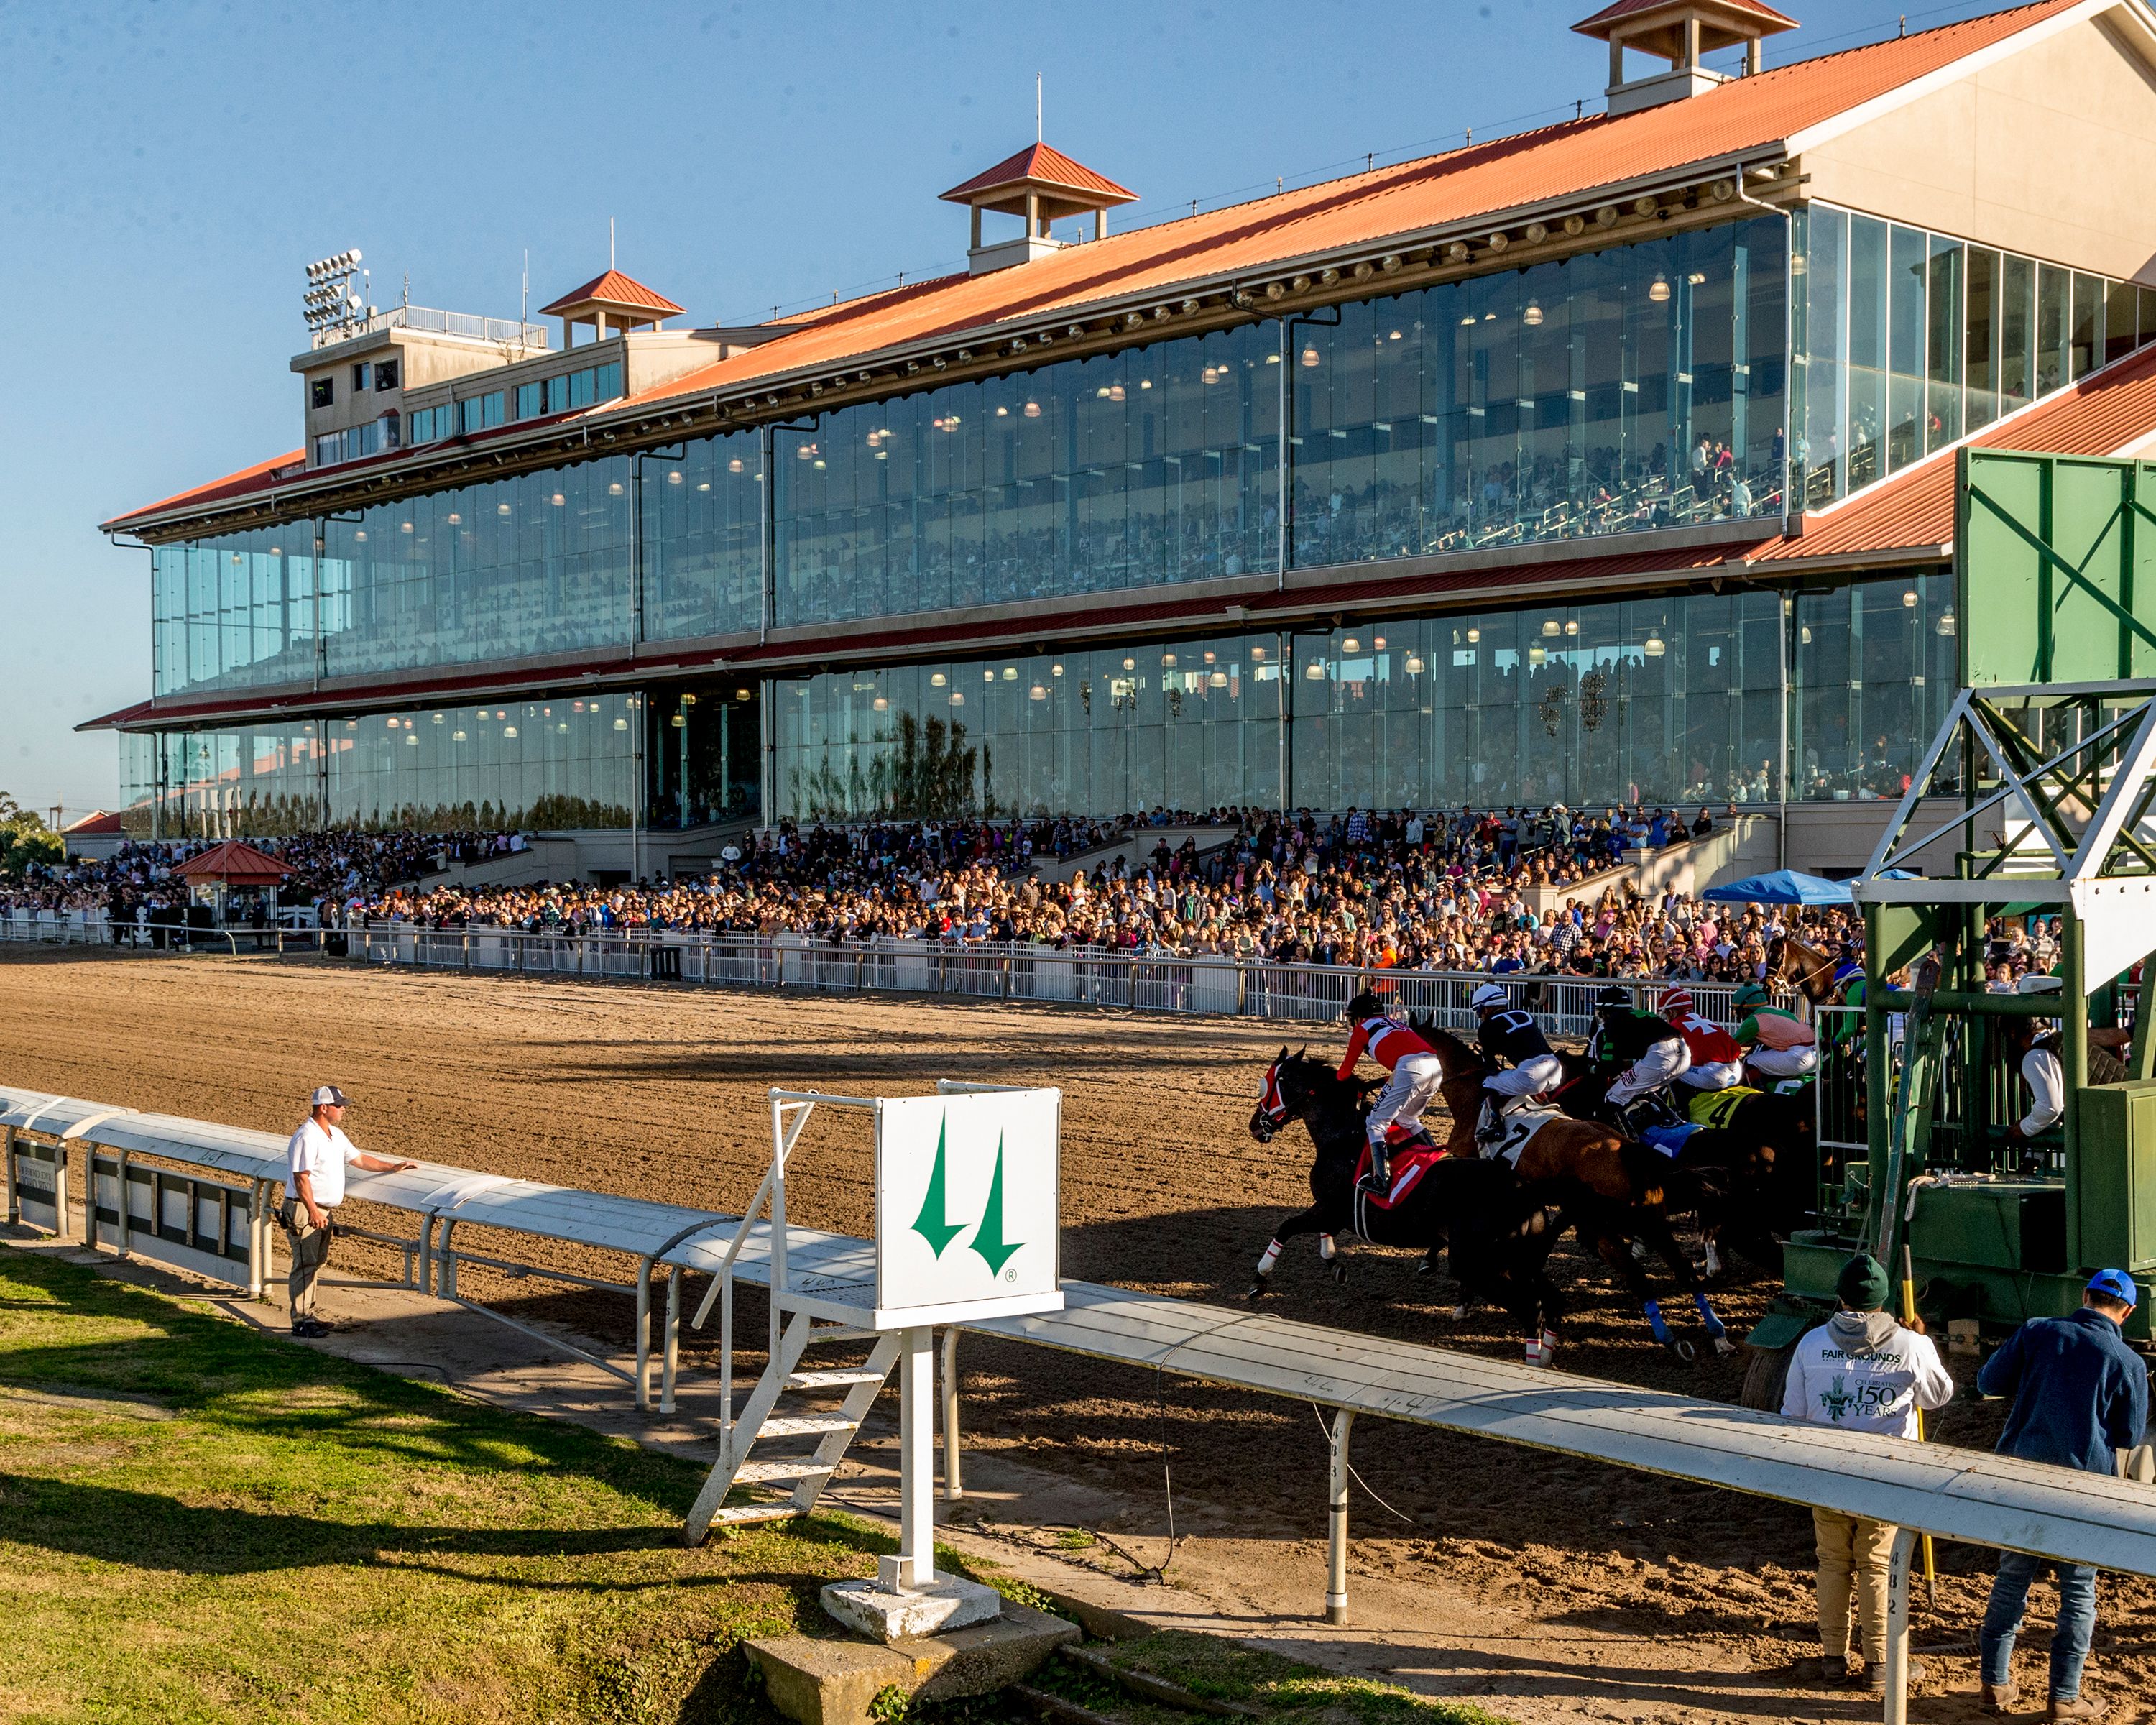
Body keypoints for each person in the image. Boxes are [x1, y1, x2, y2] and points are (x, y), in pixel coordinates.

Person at [1976, 1270, 2151, 1719]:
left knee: (2012, 1578)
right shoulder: (2127, 1360)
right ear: (2127, 1312)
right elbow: (2129, 1434)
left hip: (2021, 1473)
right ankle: (2064, 1697)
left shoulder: (2037, 1330)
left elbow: (1988, 1383)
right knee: (2078, 1589)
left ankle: (1994, 1685)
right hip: (2084, 1485)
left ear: (2084, 1295)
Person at [1781, 1253, 1955, 1690]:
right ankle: (1879, 1664)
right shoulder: (1911, 1345)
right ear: (1884, 1302)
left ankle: (1832, 1659)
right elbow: (1937, 1397)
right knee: (1876, 1567)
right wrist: (1923, 1346)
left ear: (1839, 1297)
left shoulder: (1810, 1343)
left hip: (1827, 1472)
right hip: (1885, 1474)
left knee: (1832, 1563)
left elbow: (1794, 1414)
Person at [282, 1086, 417, 1338]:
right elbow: (301, 1179)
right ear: (324, 1108)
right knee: (305, 1265)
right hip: (306, 1210)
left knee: (315, 1263)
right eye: (339, 1105)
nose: (343, 1109)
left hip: (321, 1210)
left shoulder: (335, 1134)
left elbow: (360, 1160)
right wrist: (313, 1210)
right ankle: (301, 1322)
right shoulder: (306, 1137)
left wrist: (394, 1167)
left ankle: (308, 1316)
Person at [1337, 990, 1442, 1194]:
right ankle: (1437, 1161)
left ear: (1359, 1017)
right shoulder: (1396, 1023)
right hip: (1435, 1066)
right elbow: (1405, 1068)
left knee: (1375, 1123)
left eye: (1352, 1019)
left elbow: (1344, 1074)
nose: (1352, 1024)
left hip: (1410, 1068)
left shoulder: (1362, 1030)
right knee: (1407, 1120)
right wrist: (1378, 1082)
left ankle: (1381, 1180)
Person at [1470, 980, 1561, 1146]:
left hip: (1532, 1075)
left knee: (1488, 1082)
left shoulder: (1486, 1028)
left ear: (1485, 1008)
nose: (1480, 1016)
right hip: (1556, 1069)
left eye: (1479, 1012)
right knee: (1522, 1077)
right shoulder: (1522, 1013)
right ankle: (1550, 1105)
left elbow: (1491, 1069)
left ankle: (1497, 1126)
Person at [1590, 985, 1691, 1128]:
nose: (1601, 1017)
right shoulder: (1635, 1016)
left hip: (1661, 1055)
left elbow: (1609, 1065)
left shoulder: (1615, 1021)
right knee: (1646, 1089)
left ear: (1608, 1010)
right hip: (1684, 1053)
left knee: (1612, 1097)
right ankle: (1678, 1122)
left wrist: (1592, 1068)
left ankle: (1629, 1139)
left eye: (1601, 1013)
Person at [1659, 985, 1746, 1095]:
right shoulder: (1702, 1018)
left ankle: (1681, 1110)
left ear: (1671, 1012)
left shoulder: (1675, 1026)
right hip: (1737, 1071)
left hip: (1712, 1076)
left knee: (1671, 1067)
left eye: (1666, 1014)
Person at [1731, 980, 1819, 1085]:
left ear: (1745, 1008)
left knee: (1749, 1061)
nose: (1737, 1014)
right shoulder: (1777, 1010)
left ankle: (1759, 1095)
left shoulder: (1754, 1019)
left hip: (1800, 1058)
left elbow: (1731, 1044)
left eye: (1737, 1010)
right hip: (1815, 1056)